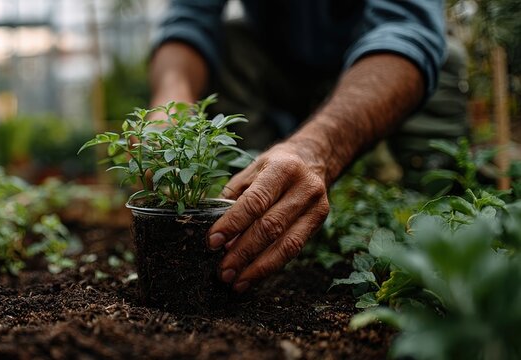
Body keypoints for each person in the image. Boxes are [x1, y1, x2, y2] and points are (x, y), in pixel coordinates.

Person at [149, 0, 468, 293]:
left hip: (373, 69)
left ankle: (433, 235)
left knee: (443, 58)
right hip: (282, 67)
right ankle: (256, 209)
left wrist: (318, 148)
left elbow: (406, 28)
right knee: (230, 44)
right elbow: (188, 20)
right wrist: (171, 100)